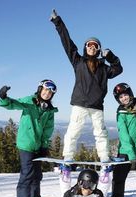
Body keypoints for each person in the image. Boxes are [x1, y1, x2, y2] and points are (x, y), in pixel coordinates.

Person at [50, 9, 123, 163]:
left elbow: (118, 69)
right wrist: (58, 23)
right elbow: (67, 42)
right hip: (80, 103)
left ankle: (104, 157)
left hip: (97, 105)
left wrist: (110, 56)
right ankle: (68, 157)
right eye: (89, 45)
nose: (92, 47)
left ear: (98, 50)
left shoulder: (104, 67)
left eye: (95, 45)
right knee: (73, 131)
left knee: (101, 133)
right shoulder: (78, 61)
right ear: (85, 47)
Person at [0, 80, 58, 197]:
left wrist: (44, 146)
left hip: (37, 146)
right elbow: (14, 104)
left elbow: (47, 131)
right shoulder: (29, 101)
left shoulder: (49, 110)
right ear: (40, 89)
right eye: (46, 90)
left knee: (37, 174)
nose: (47, 94)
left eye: (50, 93)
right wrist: (4, 98)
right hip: (26, 144)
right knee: (27, 173)